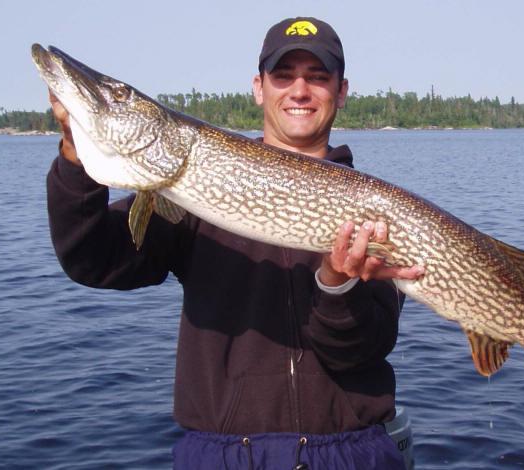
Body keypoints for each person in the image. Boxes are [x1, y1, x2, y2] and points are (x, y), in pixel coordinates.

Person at [46, 16, 423, 470]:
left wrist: (337, 284)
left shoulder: (372, 214)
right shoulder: (181, 197)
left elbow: (363, 349)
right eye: (283, 76)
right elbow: (93, 260)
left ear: (341, 92)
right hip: (225, 456)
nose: (299, 91)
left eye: (318, 78)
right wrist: (74, 155)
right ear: (258, 87)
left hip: (349, 453)